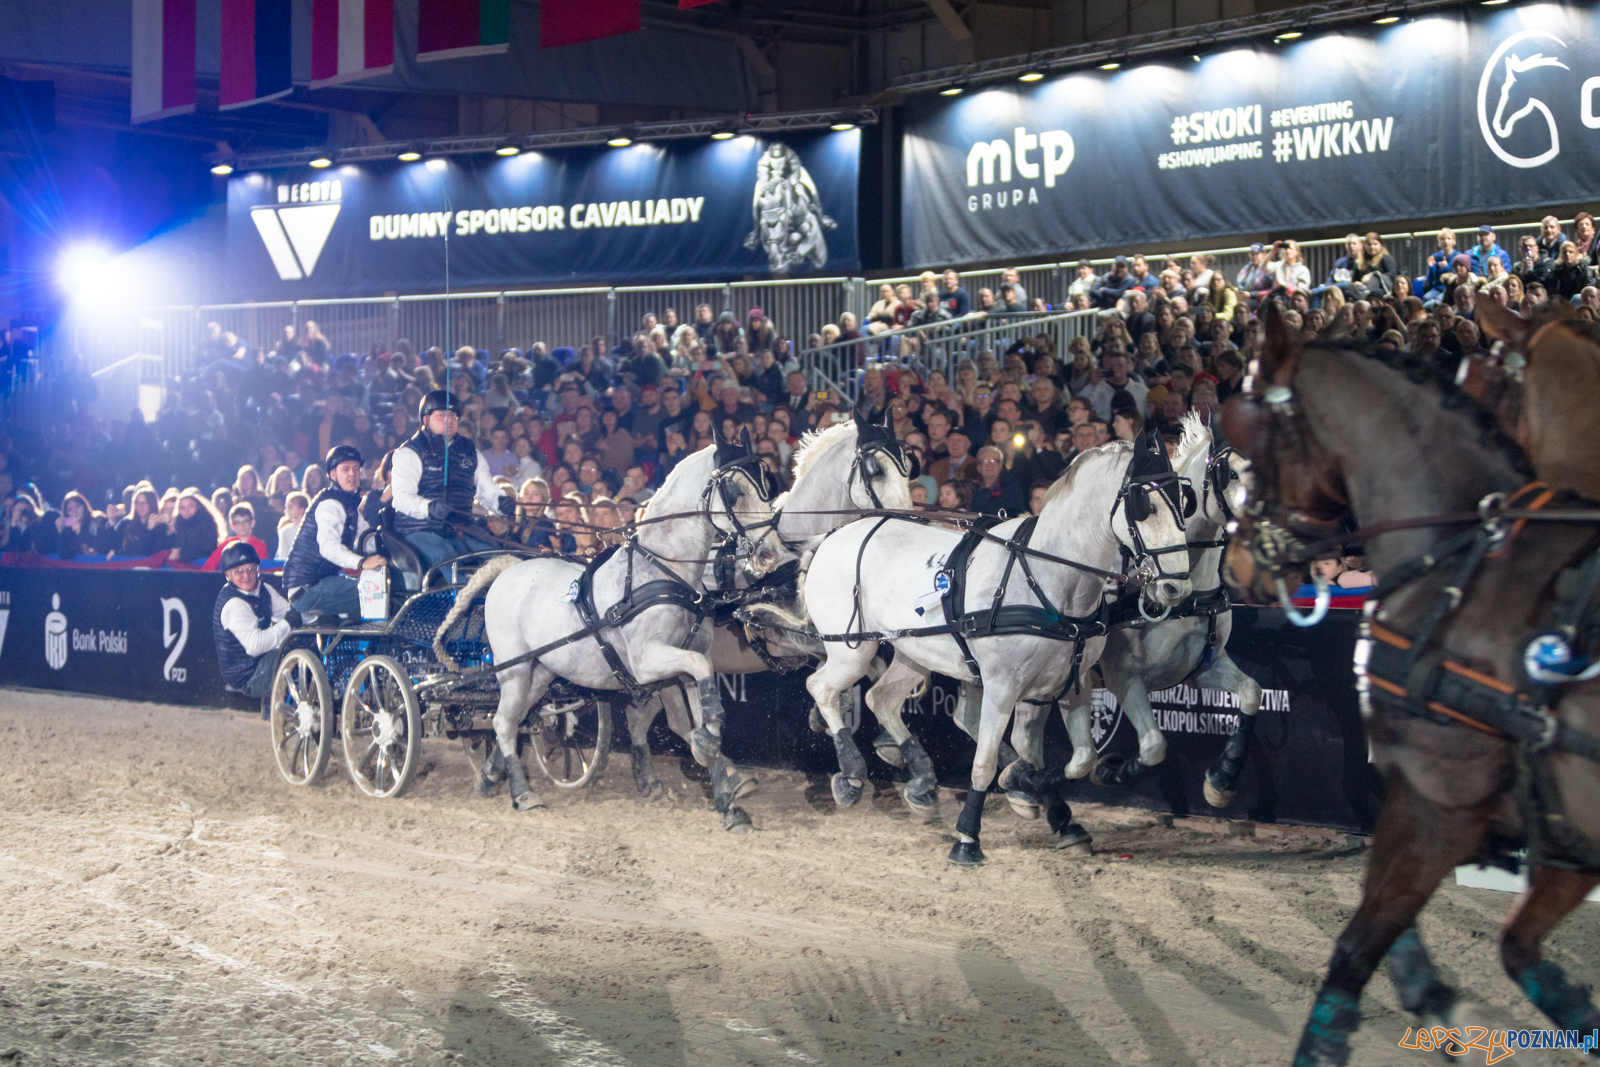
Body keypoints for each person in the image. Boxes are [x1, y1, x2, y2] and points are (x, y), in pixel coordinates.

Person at [391, 390, 517, 570]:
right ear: (425, 420)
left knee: (498, 559)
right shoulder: (409, 452)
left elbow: (488, 491)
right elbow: (401, 498)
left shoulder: (470, 451)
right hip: (418, 530)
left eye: (453, 415)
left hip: (460, 528)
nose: (449, 420)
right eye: (441, 415)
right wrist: (428, 507)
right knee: (448, 559)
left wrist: (500, 502)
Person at [282, 445, 387, 620]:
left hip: (318, 583)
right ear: (332, 474)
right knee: (376, 593)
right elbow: (328, 548)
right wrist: (362, 563)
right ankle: (366, 641)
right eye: (345, 469)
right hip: (307, 588)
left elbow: (367, 539)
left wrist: (393, 551)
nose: (352, 474)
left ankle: (354, 638)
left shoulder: (349, 506)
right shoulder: (330, 504)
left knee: (375, 590)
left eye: (355, 469)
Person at [211, 541, 291, 702]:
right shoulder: (233, 603)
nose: (246, 576)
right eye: (239, 571)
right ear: (228, 575)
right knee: (294, 652)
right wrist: (288, 623)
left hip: (260, 663)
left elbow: (287, 611)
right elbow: (255, 646)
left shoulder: (264, 589)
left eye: (250, 569)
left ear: (257, 569)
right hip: (248, 677)